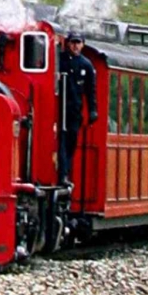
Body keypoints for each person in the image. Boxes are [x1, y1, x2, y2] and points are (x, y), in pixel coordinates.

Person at [57, 31, 98, 185]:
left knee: (71, 141)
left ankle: (66, 172)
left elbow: (91, 90)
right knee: (60, 140)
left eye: (78, 43)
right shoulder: (59, 61)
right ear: (68, 43)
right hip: (59, 108)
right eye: (73, 42)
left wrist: (92, 110)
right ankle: (62, 174)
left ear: (82, 44)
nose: (75, 46)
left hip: (74, 110)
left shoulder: (86, 65)